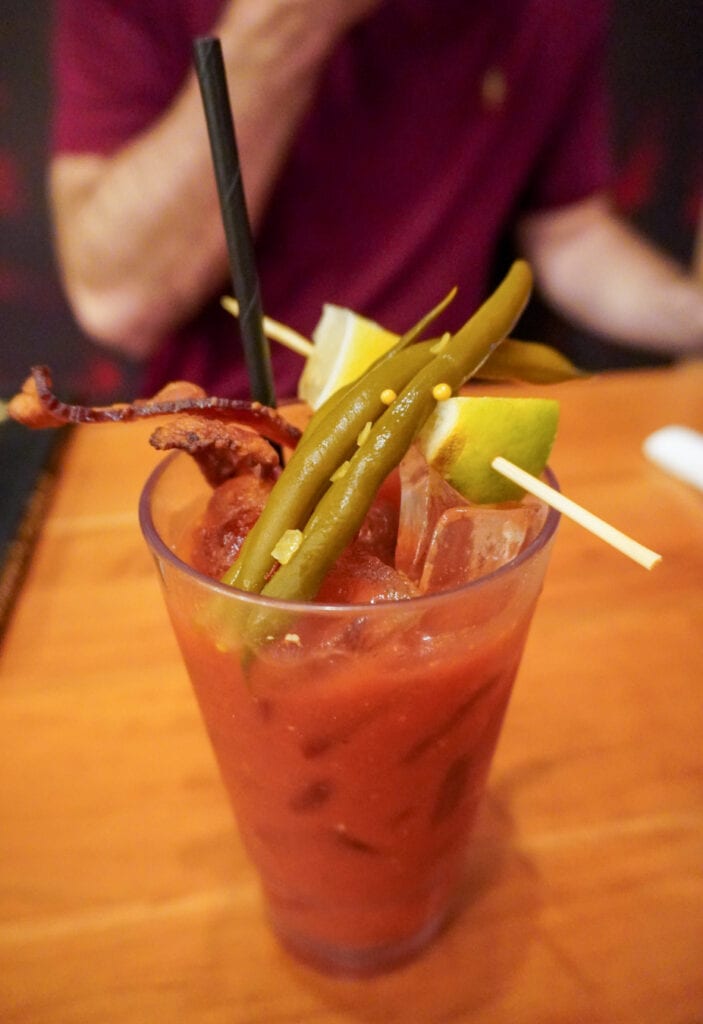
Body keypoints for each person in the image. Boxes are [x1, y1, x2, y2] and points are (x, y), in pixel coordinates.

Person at [49, 0, 703, 401]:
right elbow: (117, 300)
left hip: (435, 416)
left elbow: (569, 234)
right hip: (227, 417)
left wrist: (687, 315)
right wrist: (285, 25)